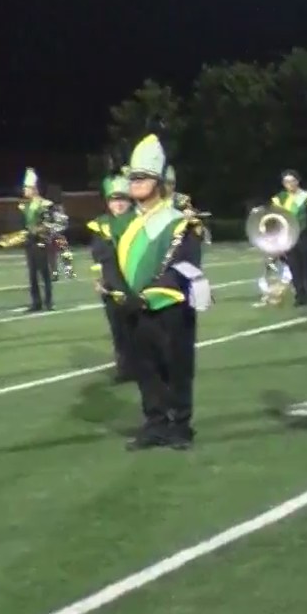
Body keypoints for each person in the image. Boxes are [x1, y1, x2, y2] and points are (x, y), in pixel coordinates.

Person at [110, 135, 208, 450]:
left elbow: (184, 265)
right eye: (133, 178)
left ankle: (180, 425)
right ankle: (155, 423)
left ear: (159, 182)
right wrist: (122, 293)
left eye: (142, 177)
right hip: (133, 308)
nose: (135, 183)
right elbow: (109, 262)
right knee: (145, 369)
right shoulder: (123, 224)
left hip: (170, 308)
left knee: (176, 367)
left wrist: (152, 292)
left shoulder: (180, 223)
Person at [84, 175, 137, 382]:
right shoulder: (100, 225)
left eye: (123, 199)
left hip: (134, 284)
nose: (119, 203)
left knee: (140, 330)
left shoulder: (139, 221)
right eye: (114, 199)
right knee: (118, 331)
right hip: (110, 286)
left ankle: (145, 369)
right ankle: (124, 370)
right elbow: (97, 257)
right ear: (108, 201)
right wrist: (98, 280)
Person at [272, 170, 307, 306]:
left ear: (297, 181)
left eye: (292, 181)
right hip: (288, 237)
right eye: (286, 182)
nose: (290, 184)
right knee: (293, 265)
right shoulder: (279, 199)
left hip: (305, 235)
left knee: (306, 265)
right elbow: (276, 220)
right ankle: (299, 294)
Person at [14, 168, 57, 312]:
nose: (25, 190)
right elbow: (22, 225)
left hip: (42, 242)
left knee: (44, 273)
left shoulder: (46, 205)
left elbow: (50, 223)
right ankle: (36, 302)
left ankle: (49, 301)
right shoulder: (24, 206)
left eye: (27, 188)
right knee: (32, 274)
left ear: (34, 189)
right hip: (30, 243)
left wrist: (38, 230)